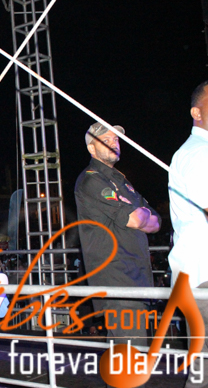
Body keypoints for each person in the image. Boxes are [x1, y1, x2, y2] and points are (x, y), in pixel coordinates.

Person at [75, 122, 160, 360]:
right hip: (118, 279)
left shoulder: (122, 181)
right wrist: (140, 214)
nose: (114, 143)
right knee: (131, 357)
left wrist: (142, 214)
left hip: (135, 277)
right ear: (92, 148)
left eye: (116, 139)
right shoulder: (92, 180)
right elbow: (135, 218)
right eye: (106, 139)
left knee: (125, 356)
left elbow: (156, 222)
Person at [168, 81, 208, 387]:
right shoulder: (199, 153)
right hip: (202, 274)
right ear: (197, 112)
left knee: (202, 364)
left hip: (195, 275)